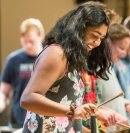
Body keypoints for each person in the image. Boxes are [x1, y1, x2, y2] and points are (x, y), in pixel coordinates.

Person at [20, 4, 112, 133]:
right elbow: (28, 99)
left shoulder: (73, 59)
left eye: (101, 38)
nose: (97, 43)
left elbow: (64, 122)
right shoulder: (56, 54)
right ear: (79, 29)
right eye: (94, 36)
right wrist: (72, 111)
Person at [97, 24, 130, 132]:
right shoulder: (95, 70)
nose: (124, 54)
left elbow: (109, 98)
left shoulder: (109, 68)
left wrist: (127, 105)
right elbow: (92, 103)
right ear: (108, 43)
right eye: (121, 48)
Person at [0, 18, 44, 128]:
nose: (28, 45)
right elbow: (4, 92)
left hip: (44, 120)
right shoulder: (13, 60)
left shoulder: (48, 58)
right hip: (19, 121)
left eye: (31, 41)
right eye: (24, 42)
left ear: (41, 36)